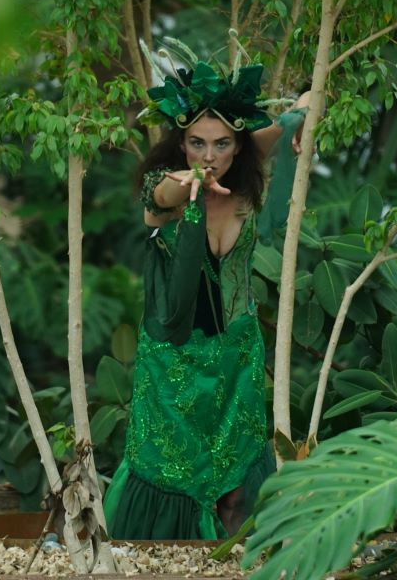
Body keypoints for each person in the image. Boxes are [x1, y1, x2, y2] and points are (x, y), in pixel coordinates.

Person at [102, 57, 308, 540]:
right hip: (173, 362)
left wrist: (300, 112)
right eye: (196, 143)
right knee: (171, 470)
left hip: (237, 354)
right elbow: (166, 198)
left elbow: (274, 131)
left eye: (220, 144)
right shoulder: (165, 186)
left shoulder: (240, 174)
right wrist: (190, 183)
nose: (208, 156)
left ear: (238, 147)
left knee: (237, 473)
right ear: (180, 143)